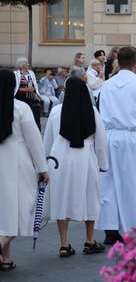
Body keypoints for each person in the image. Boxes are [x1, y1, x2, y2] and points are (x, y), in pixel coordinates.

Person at [96, 47, 136, 245]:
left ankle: (111, 228)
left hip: (110, 136)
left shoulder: (107, 85)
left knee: (110, 183)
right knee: (135, 183)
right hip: (133, 137)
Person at [43, 77, 107, 257]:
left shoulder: (56, 111)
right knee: (90, 196)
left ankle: (64, 243)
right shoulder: (92, 111)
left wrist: (43, 165)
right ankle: (89, 240)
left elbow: (47, 141)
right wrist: (103, 164)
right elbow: (101, 142)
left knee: (62, 198)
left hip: (59, 159)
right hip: (85, 157)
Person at [0, 70, 49, 271]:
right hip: (17, 163)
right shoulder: (21, 108)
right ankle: (2, 243)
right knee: (23, 208)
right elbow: (34, 140)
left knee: (4, 211)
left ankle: (6, 259)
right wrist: (42, 167)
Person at [14, 57, 41, 129]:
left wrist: (34, 90)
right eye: (26, 63)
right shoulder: (16, 74)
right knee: (22, 113)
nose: (28, 64)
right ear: (21, 64)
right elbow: (15, 87)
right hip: (21, 97)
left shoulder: (31, 73)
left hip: (31, 96)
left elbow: (34, 84)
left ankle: (32, 127)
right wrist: (25, 89)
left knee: (31, 113)